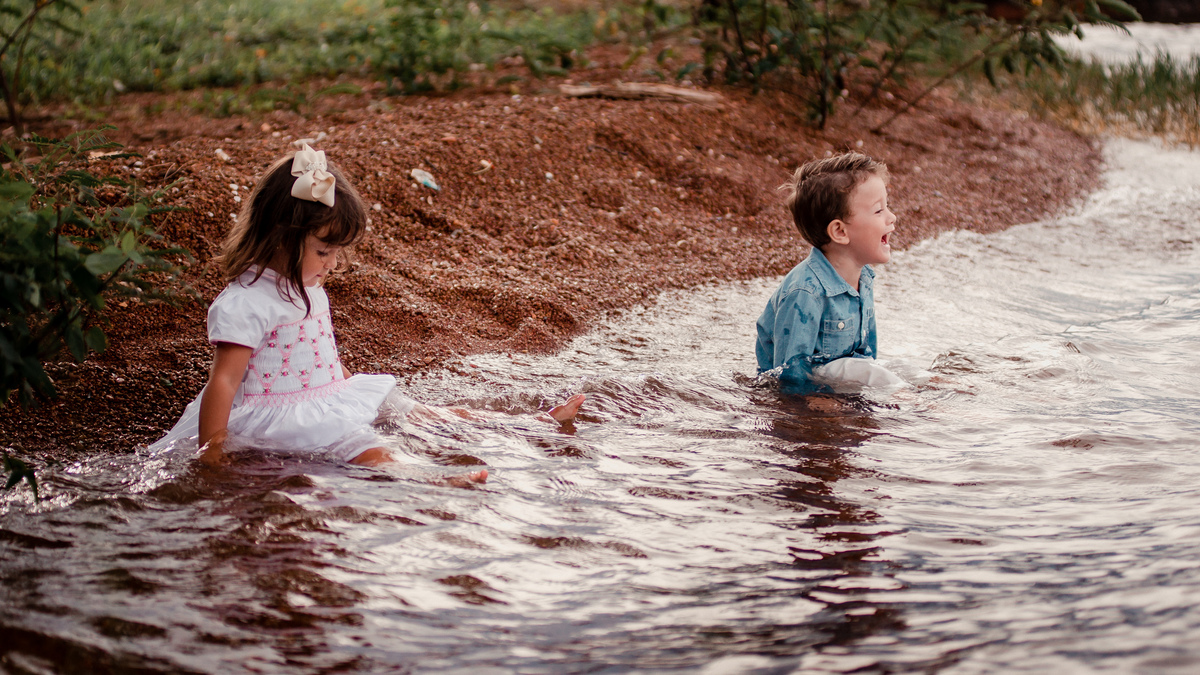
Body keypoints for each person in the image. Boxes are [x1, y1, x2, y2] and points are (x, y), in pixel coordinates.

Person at [149, 144, 585, 478]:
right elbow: (223, 381)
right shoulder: (246, 302)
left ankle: (529, 425)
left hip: (325, 394)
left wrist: (348, 394)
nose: (331, 263)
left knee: (419, 410)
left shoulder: (309, 284)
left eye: (336, 252)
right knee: (364, 446)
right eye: (323, 251)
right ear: (281, 236)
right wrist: (213, 452)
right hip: (279, 414)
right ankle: (424, 479)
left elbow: (320, 356)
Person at [755, 152, 904, 392]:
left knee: (901, 369)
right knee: (878, 376)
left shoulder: (863, 277)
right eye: (879, 211)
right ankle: (919, 407)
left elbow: (867, 352)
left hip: (844, 371)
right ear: (840, 232)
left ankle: (940, 391)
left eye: (888, 207)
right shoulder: (805, 291)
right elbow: (788, 369)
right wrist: (811, 402)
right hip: (809, 380)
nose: (892, 217)